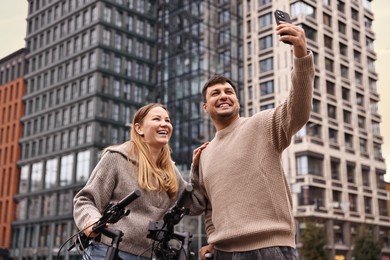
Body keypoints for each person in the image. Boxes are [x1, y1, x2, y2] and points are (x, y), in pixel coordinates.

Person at [190, 22, 315, 259]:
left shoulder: (262, 124)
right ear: (205, 107)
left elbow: (298, 109)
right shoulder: (203, 155)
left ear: (237, 101)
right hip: (224, 253)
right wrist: (213, 240)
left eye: (229, 92)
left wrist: (300, 53)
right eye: (215, 93)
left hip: (271, 249)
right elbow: (209, 207)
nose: (224, 96)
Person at [73, 103, 195, 259]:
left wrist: (198, 166)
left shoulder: (171, 171)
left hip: (148, 255)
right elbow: (85, 199)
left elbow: (194, 204)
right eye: (157, 119)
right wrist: (90, 220)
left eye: (167, 120)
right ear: (139, 128)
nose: (164, 123)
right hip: (108, 251)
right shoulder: (116, 158)